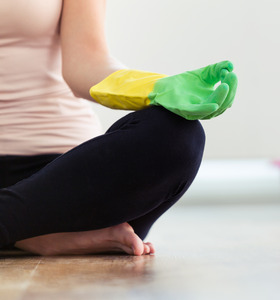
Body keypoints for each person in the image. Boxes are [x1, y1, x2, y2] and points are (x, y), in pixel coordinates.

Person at [0, 0, 237, 256]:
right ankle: (32, 233)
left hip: (63, 181)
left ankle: (21, 228)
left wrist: (154, 87)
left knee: (177, 134)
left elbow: (86, 61)